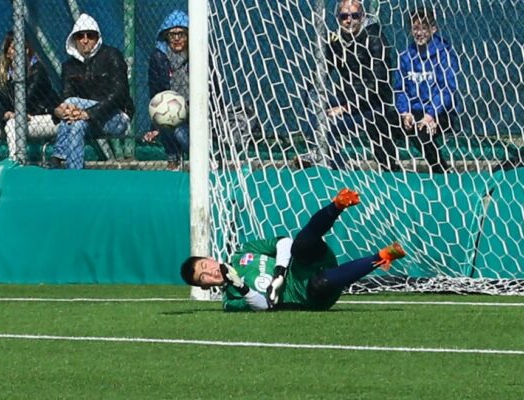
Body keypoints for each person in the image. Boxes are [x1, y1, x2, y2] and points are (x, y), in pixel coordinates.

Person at [180, 188, 406, 311]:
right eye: (204, 278)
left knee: (300, 245)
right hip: (310, 293)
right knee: (319, 283)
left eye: (204, 266)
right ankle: (384, 256)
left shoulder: (243, 252)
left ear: (209, 258)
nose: (210, 272)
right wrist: (239, 285)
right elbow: (265, 306)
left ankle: (338, 204)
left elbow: (283, 243)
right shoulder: (230, 300)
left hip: (308, 262)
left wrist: (279, 273)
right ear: (205, 286)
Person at [299, 0, 399, 172]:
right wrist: (314, 89)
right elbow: (321, 71)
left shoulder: (374, 39)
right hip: (346, 99)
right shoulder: (336, 40)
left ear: (362, 17)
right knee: (312, 96)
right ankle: (326, 155)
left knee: (326, 128)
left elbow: (378, 83)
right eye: (344, 16)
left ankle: (340, 170)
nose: (349, 20)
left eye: (354, 16)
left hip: (371, 106)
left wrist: (347, 108)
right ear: (338, 18)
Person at [50, 13, 135, 169]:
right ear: (74, 39)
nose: (85, 40)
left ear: (97, 38)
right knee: (76, 124)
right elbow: (65, 95)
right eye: (80, 36)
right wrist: (61, 111)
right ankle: (75, 175)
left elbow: (119, 94)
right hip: (83, 118)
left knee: (71, 102)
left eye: (90, 35)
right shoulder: (69, 66)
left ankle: (58, 155)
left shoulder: (112, 56)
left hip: (115, 116)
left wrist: (88, 113)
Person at [0, 31, 58, 164]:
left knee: (14, 124)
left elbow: (25, 103)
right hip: (11, 117)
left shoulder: (37, 70)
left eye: (23, 48)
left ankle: (17, 164)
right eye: (14, 48)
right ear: (7, 53)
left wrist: (15, 115)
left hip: (42, 117)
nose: (19, 52)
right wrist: (5, 114)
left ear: (28, 50)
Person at [394, 8, 459, 174]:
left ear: (433, 29)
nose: (419, 32)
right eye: (415, 28)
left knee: (422, 133)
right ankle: (390, 171)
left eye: (424, 27)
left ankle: (442, 172)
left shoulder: (444, 54)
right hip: (413, 112)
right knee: (380, 125)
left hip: (439, 113)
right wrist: (404, 112)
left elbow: (447, 90)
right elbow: (400, 88)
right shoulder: (405, 56)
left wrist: (431, 115)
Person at [144, 10, 190, 171]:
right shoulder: (159, 57)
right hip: (171, 110)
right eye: (172, 35)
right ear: (165, 37)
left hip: (195, 110)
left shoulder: (198, 54)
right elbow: (155, 93)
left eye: (181, 34)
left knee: (182, 135)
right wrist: (154, 126)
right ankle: (173, 159)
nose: (177, 39)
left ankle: (201, 159)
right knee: (167, 121)